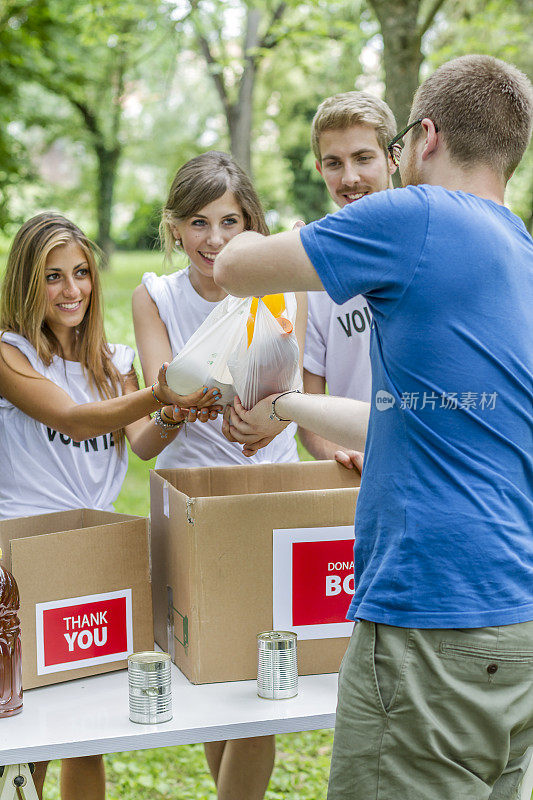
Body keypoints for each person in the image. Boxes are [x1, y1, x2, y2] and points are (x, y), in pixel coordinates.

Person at [214, 55, 533, 800]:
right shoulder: (518, 254)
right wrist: (284, 405)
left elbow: (232, 266)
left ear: (422, 138)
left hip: (431, 617)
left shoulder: (415, 216)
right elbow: (404, 418)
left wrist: (275, 229)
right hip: (512, 619)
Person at [0, 212, 219, 799]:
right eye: (53, 277)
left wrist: (176, 410)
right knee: (30, 733)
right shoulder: (10, 354)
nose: (72, 291)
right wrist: (161, 391)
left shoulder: (112, 362)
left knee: (87, 727)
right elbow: (71, 419)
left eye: (80, 274)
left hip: (98, 550)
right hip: (24, 558)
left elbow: (145, 441)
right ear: (27, 282)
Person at [132, 150, 307, 800]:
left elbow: (286, 401)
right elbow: (148, 435)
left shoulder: (281, 284)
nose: (214, 240)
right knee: (212, 674)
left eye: (229, 221)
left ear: (250, 224)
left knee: (260, 672)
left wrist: (268, 422)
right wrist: (178, 406)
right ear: (174, 226)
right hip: (193, 505)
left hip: (266, 496)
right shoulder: (156, 295)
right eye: (198, 222)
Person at [300, 91, 396, 472]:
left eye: (363, 158)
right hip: (356, 475)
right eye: (334, 163)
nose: (350, 178)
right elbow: (308, 402)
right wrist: (339, 455)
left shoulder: (436, 239)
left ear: (393, 157)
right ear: (320, 169)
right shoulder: (309, 268)